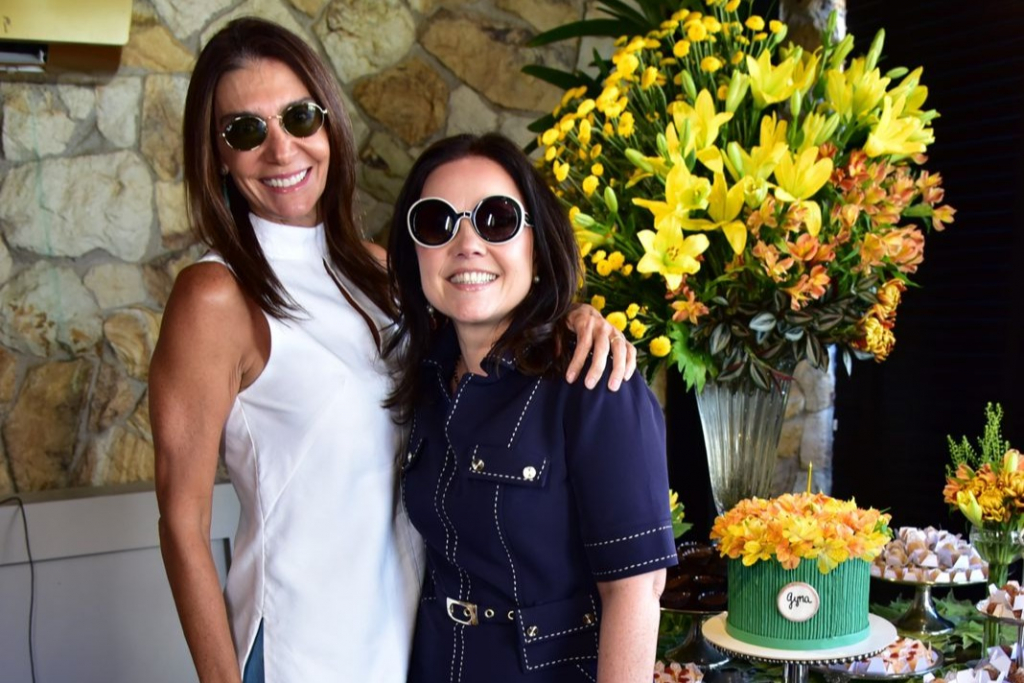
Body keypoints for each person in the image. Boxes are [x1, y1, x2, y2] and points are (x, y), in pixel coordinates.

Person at [149, 18, 636, 683]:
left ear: (328, 122)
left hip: (415, 643)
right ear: (219, 158)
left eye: (298, 116)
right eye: (245, 130)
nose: (281, 149)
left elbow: (490, 329)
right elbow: (181, 525)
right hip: (301, 650)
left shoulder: (388, 274)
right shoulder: (215, 294)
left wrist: (577, 316)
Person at [385, 133, 677, 683]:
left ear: (537, 247)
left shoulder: (593, 380)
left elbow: (637, 590)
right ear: (415, 255)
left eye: (495, 219)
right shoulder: (422, 379)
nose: (467, 243)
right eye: (436, 223)